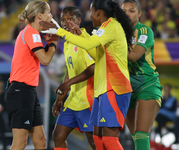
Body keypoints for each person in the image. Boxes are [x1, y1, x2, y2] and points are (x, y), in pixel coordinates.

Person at [40, 0, 134, 149]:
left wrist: (59, 31)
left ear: (98, 12)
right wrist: (81, 36)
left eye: (91, 12)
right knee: (97, 139)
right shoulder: (105, 28)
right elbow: (97, 55)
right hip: (102, 90)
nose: (90, 16)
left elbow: (90, 50)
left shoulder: (112, 26)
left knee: (109, 140)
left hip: (114, 87)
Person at [4, 1, 59, 150]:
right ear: (39, 15)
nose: (51, 15)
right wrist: (53, 43)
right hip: (21, 91)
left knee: (40, 141)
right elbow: (45, 59)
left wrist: (50, 44)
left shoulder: (31, 33)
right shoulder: (31, 33)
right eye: (48, 12)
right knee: (20, 143)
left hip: (27, 92)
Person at [51, 6, 96, 150]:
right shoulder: (67, 43)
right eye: (63, 20)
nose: (65, 23)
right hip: (72, 100)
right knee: (58, 136)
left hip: (88, 99)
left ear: (79, 20)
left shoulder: (87, 40)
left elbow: (92, 69)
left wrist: (68, 83)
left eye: (70, 19)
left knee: (93, 140)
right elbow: (68, 74)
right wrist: (59, 99)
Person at [121, 0, 163, 150]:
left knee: (141, 134)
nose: (127, 14)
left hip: (147, 85)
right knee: (137, 138)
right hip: (127, 89)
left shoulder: (145, 31)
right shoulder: (117, 33)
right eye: (124, 11)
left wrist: (113, 46)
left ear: (139, 14)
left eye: (131, 11)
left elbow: (133, 56)